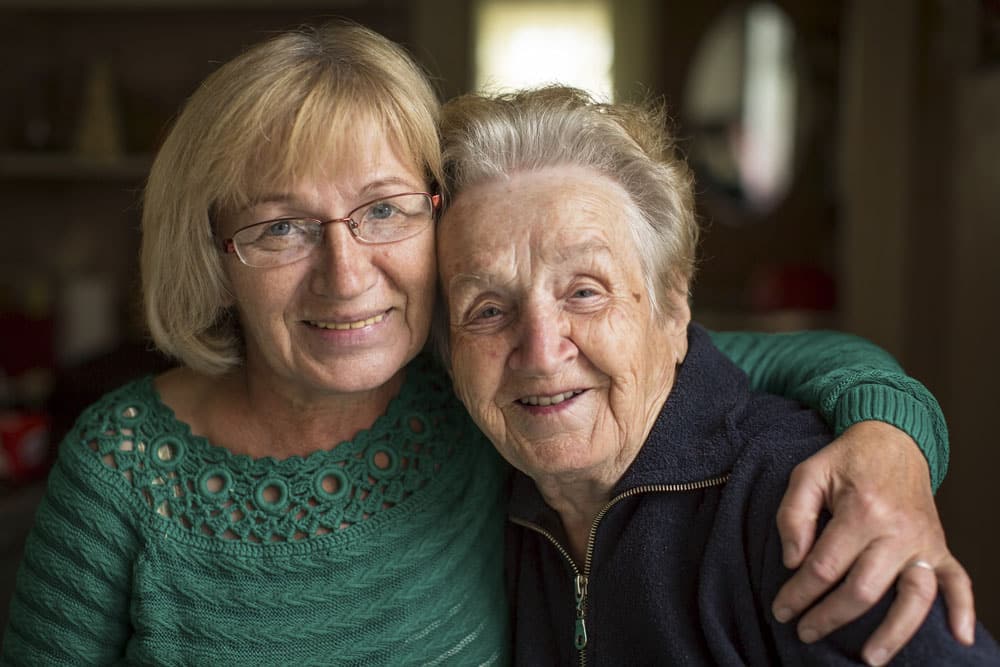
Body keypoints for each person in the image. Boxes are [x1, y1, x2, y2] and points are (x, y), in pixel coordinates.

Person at [0, 22, 971, 666]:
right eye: (280, 228)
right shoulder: (123, 469)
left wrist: (891, 441)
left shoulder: (475, 390)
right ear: (215, 252)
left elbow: (763, 363)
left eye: (381, 211)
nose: (345, 276)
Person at [434, 85, 997, 665]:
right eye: (489, 311)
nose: (542, 354)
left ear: (673, 309)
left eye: (584, 292)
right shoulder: (475, 496)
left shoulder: (792, 503)